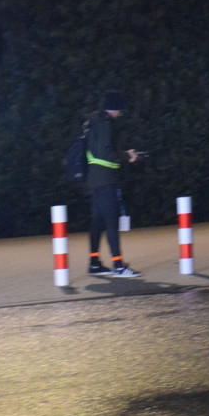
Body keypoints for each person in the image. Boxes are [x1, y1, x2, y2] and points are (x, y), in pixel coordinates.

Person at [86, 91, 141, 278]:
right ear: (115, 108)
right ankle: (118, 265)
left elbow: (99, 151)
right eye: (120, 110)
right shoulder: (104, 124)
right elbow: (107, 154)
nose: (120, 114)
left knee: (98, 222)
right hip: (105, 179)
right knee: (111, 221)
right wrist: (128, 156)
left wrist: (124, 153)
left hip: (94, 179)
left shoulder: (92, 121)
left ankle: (94, 263)